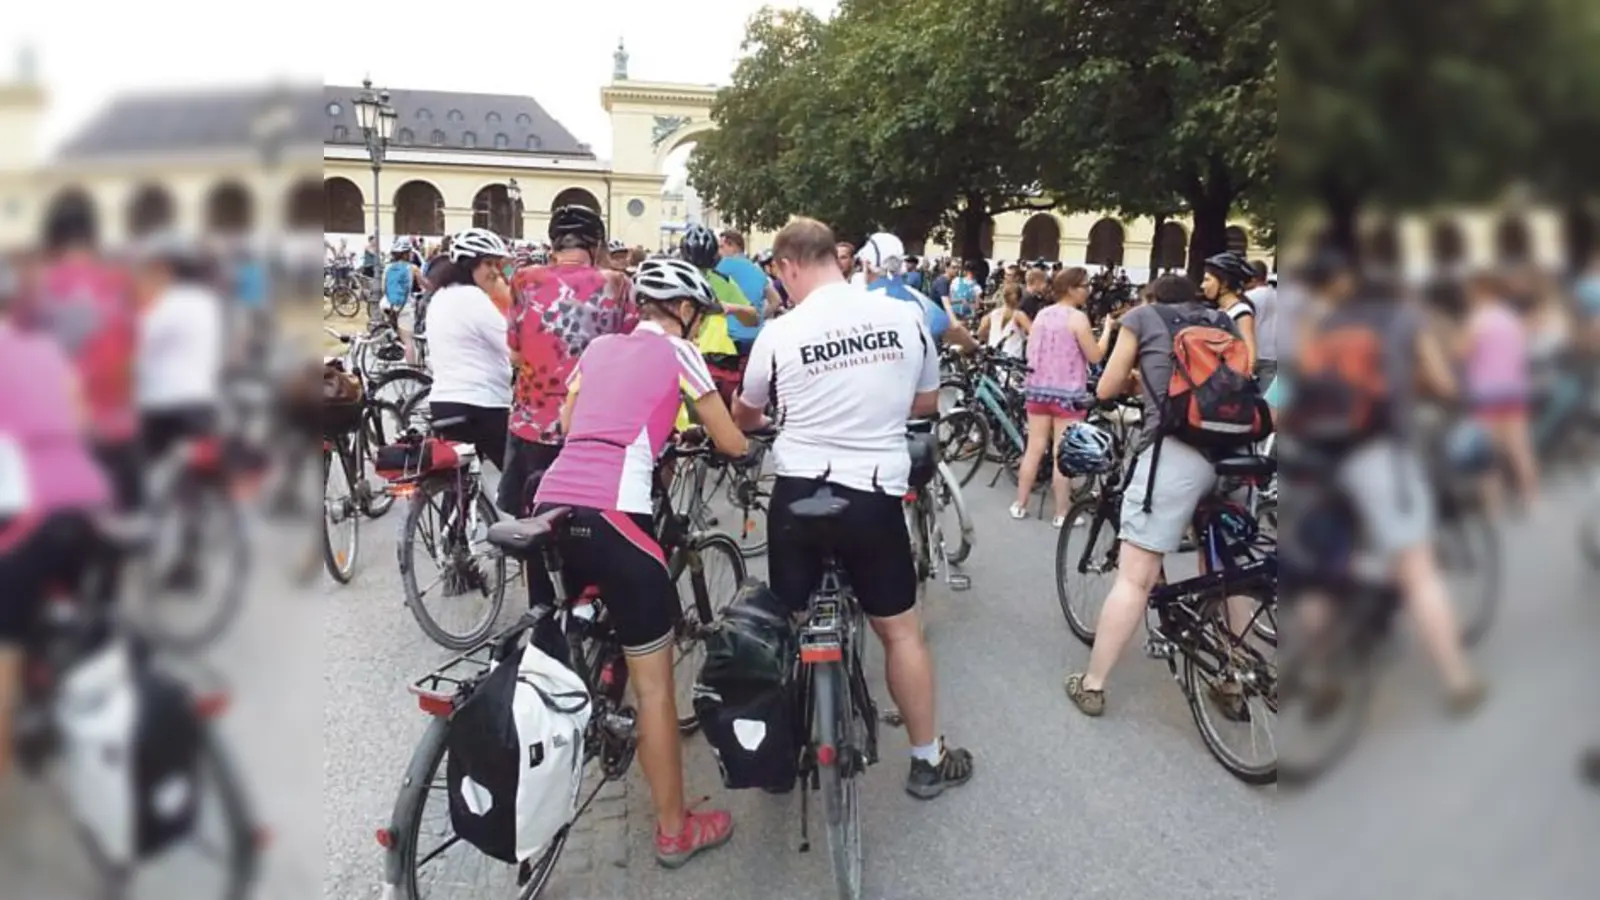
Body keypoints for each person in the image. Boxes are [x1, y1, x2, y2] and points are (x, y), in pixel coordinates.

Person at [734, 217, 975, 799]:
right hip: (872, 496)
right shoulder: (905, 316)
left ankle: (779, 747)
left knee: (786, 624)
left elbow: (746, 414)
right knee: (900, 632)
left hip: (798, 496)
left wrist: (774, 421)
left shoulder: (780, 331)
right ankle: (925, 759)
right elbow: (923, 401)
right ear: (835, 258)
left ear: (790, 266)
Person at [532, 257, 747, 868]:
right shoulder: (678, 351)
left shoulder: (599, 349)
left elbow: (570, 422)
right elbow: (729, 439)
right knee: (655, 690)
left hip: (550, 503)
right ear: (684, 311)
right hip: (616, 513)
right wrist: (748, 446)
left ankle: (592, 687)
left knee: (578, 619)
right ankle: (676, 831)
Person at [0, 254, 114, 781]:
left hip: (26, 520)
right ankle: (57, 690)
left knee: (7, 644)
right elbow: (83, 423)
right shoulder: (46, 350)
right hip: (84, 506)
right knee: (61, 605)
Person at [504, 205, 635, 519]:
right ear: (596, 247)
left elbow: (515, 354)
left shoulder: (523, 280)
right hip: (593, 426)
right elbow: (628, 354)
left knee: (533, 523)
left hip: (533, 427)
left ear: (554, 247)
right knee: (591, 524)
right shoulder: (618, 285)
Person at [22, 201, 141, 513]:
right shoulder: (121, 282)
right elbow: (132, 348)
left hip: (60, 424)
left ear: (51, 240)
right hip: (117, 423)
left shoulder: (40, 285)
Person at [132, 235, 226, 590]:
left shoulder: (168, 304)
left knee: (134, 468)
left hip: (163, 405)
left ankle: (134, 535)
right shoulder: (207, 304)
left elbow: (140, 344)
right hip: (200, 403)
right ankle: (189, 560)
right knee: (192, 484)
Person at [1012, 267, 1113, 525]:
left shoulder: (1043, 315)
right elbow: (1095, 356)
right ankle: (1061, 512)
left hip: (1037, 390)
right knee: (1061, 452)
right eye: (1085, 286)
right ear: (1071, 289)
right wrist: (1109, 331)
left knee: (1033, 448)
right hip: (1068, 394)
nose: (1088, 291)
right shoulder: (1078, 318)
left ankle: (1020, 504)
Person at [425, 229, 515, 488]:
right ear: (468, 264)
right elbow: (512, 347)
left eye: (498, 265)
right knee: (517, 483)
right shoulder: (474, 299)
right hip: (482, 403)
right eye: (488, 263)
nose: (496, 272)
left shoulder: (441, 296)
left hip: (443, 401)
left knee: (455, 484)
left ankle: (450, 526)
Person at [1457, 271, 1536, 515]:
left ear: (1480, 292)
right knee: (1519, 447)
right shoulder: (1511, 318)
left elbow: (1460, 351)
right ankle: (1531, 499)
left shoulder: (1477, 319)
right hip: (1515, 388)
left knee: (1487, 451)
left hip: (1486, 391)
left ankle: (1494, 506)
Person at [858, 232, 979, 353]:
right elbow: (954, 328)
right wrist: (975, 347)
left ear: (867, 264)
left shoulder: (858, 300)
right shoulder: (916, 299)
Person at [680, 224, 758, 404]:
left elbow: (752, 317)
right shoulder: (722, 280)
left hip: (711, 359)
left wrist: (728, 307)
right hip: (716, 360)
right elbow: (752, 318)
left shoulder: (720, 280)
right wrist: (732, 308)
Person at [715, 229, 781, 362]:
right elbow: (776, 301)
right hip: (755, 339)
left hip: (728, 341)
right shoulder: (757, 270)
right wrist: (760, 316)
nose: (719, 252)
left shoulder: (721, 267)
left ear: (732, 246)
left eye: (721, 247)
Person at [1203, 251, 1259, 371]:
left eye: (1207, 280)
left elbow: (1250, 357)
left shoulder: (1241, 313)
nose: (1203, 285)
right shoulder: (1221, 310)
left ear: (1224, 284)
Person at [382, 237, 426, 363]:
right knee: (408, 341)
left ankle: (393, 340)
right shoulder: (413, 268)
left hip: (387, 304)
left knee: (395, 328)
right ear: (407, 254)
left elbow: (383, 288)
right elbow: (425, 285)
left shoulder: (387, 267)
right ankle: (411, 370)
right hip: (404, 306)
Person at [1245, 260, 1278, 387]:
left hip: (1250, 353)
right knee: (1270, 401)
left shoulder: (1247, 298)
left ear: (1252, 278)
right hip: (1273, 354)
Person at [978, 283, 1027, 360]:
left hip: (993, 358)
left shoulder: (991, 315)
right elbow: (1034, 333)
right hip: (1012, 361)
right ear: (1020, 299)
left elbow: (981, 334)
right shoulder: (1019, 315)